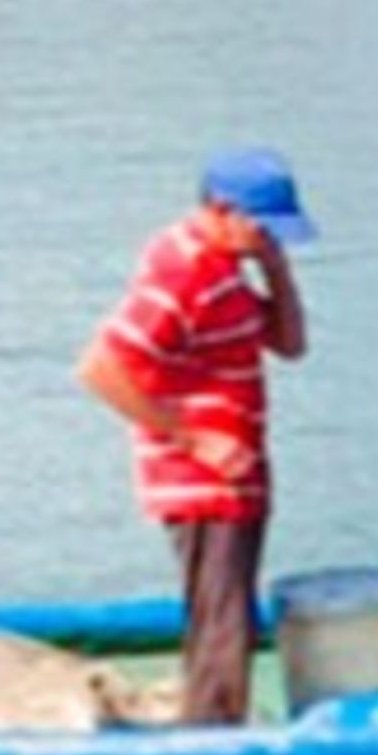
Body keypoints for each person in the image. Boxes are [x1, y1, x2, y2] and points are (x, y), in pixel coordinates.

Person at [76, 149, 314, 723]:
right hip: (204, 483)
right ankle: (213, 735)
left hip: (239, 476)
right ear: (222, 210)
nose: (265, 238)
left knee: (226, 613)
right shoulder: (183, 272)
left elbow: (288, 343)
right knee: (222, 622)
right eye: (261, 226)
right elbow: (101, 368)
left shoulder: (225, 267)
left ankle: (214, 717)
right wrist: (193, 438)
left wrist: (274, 267)